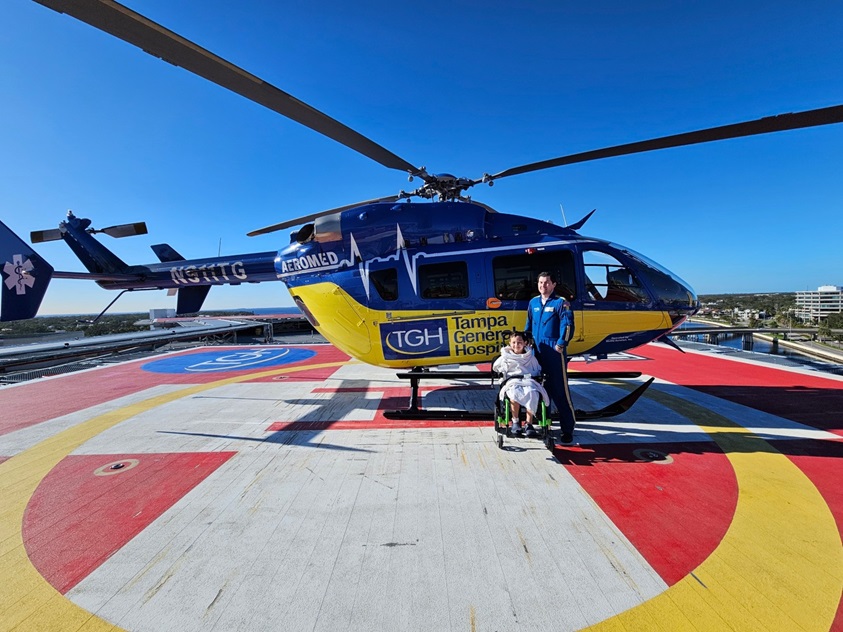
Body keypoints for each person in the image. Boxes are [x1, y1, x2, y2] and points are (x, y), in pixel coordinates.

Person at [526, 271, 577, 444]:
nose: (543, 286)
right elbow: (528, 326)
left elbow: (568, 325)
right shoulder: (533, 303)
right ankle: (545, 425)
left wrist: (561, 344)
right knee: (540, 390)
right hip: (537, 353)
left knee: (560, 392)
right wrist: (526, 344)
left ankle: (567, 429)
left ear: (554, 284)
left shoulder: (561, 303)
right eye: (540, 283)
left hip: (554, 353)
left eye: (546, 282)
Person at [492, 331, 549, 437]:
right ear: (510, 343)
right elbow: (496, 367)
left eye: (519, 342)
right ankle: (515, 422)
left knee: (532, 393)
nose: (516, 345)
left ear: (525, 343)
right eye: (513, 342)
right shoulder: (506, 357)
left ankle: (529, 423)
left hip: (528, 382)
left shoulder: (530, 357)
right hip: (513, 382)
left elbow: (537, 370)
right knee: (514, 394)